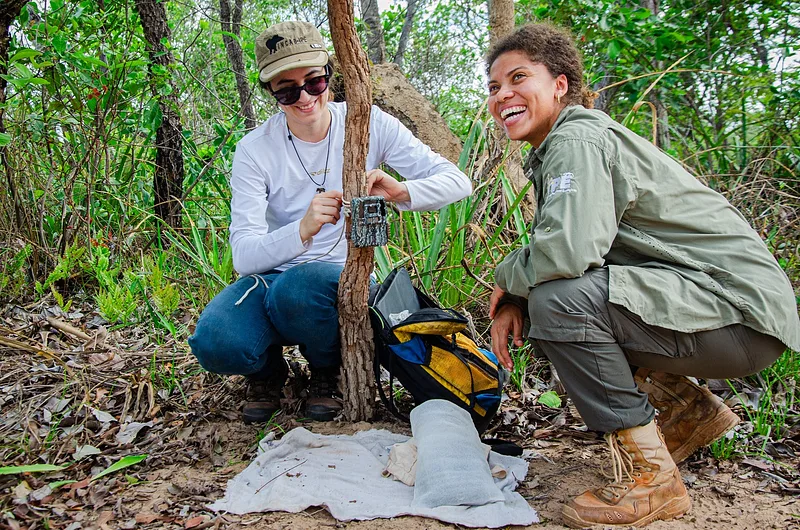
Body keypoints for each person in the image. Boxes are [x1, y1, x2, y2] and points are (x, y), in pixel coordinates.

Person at [485, 23, 800, 528]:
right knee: (554, 300)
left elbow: (566, 253)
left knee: (560, 303)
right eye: (494, 86)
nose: (503, 95)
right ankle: (684, 415)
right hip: (736, 316)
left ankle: (652, 480)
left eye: (518, 78)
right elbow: (576, 250)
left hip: (738, 316)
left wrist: (508, 280)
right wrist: (516, 298)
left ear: (560, 85)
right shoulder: (568, 142)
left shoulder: (578, 139)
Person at [189, 21, 470, 424]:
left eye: (313, 82)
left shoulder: (369, 123)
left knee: (299, 290)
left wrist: (401, 192)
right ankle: (267, 373)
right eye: (287, 90)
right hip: (272, 277)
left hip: (340, 276)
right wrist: (301, 229)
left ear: (329, 75)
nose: (304, 97)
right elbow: (244, 256)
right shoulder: (254, 150)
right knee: (214, 341)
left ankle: (327, 368)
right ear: (271, 92)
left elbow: (458, 182)